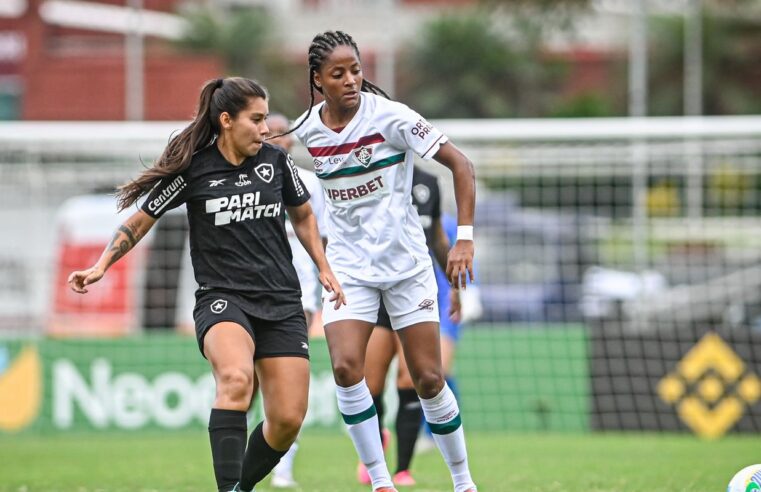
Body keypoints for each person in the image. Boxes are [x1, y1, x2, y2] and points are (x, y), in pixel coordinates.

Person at [67, 77, 345, 492]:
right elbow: (141, 219)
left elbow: (303, 215)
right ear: (227, 120)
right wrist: (102, 264)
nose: (266, 129)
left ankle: (239, 487)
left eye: (266, 118)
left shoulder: (277, 162)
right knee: (235, 380)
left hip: (282, 300)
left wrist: (323, 266)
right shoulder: (195, 169)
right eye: (257, 119)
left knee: (287, 420)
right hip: (223, 299)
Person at [283, 31, 479, 492]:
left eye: (356, 70)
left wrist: (464, 240)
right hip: (349, 269)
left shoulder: (393, 118)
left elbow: (462, 165)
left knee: (429, 379)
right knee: (347, 369)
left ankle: (463, 481)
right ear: (318, 80)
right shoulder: (307, 129)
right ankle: (380, 481)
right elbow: (266, 151)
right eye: (338, 74)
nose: (351, 80)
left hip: (407, 268)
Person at [359, 167, 461, 487]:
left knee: (411, 380)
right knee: (371, 385)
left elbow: (437, 239)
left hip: (413, 295)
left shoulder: (428, 183)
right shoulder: (366, 176)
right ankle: (376, 450)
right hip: (375, 294)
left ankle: (403, 469)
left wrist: (453, 284)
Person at [248, 112, 325, 489]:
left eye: (282, 134)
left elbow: (321, 238)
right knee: (244, 383)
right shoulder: (242, 181)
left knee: (286, 388)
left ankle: (283, 468)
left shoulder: (309, 184)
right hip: (248, 292)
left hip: (298, 294)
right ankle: (238, 460)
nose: (275, 139)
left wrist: (325, 288)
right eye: (269, 133)